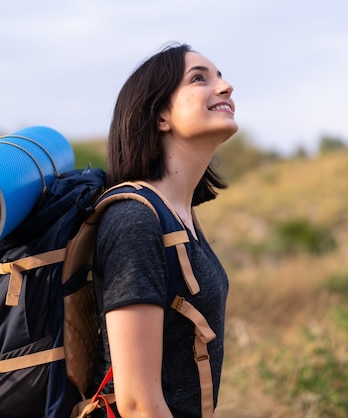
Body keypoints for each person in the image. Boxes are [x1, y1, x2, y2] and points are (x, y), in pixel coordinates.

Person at [91, 42, 238, 418]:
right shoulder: (136, 220)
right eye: (199, 78)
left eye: (219, 76)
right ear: (160, 116)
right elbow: (138, 403)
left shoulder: (181, 215)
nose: (225, 87)